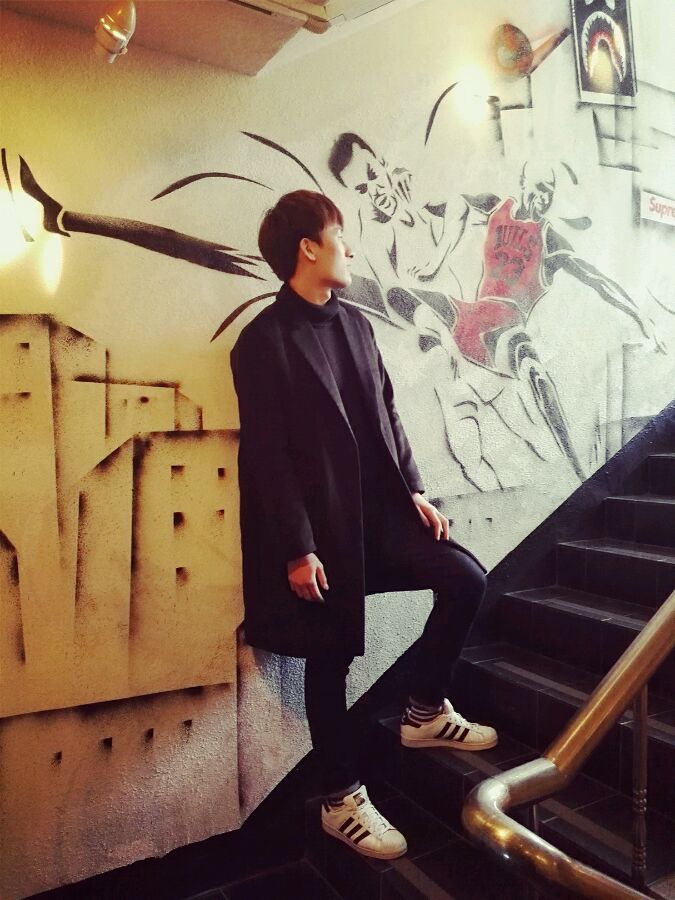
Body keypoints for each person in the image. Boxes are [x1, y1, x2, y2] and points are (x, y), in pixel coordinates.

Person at [230, 190, 496, 861]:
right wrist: (297, 548)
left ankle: (424, 710)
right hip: (322, 536)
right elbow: (265, 457)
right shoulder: (262, 342)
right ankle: (340, 799)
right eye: (338, 235)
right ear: (308, 248)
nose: (349, 248)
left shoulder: (354, 324)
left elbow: (387, 412)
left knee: (465, 578)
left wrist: (415, 490)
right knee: (331, 657)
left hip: (380, 521)